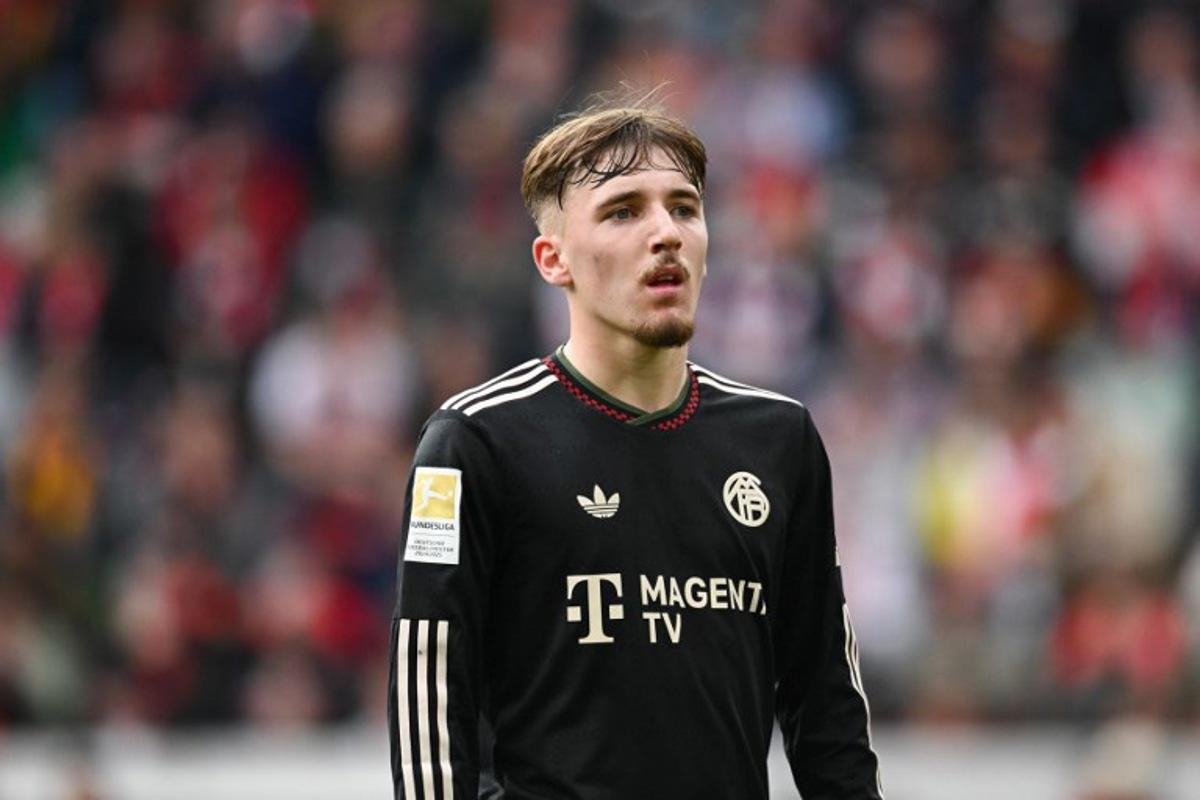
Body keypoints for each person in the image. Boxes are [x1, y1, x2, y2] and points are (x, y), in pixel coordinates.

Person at [388, 97, 884, 799]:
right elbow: (430, 695)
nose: (667, 234)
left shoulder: (779, 441)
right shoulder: (473, 443)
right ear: (553, 259)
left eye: (684, 208)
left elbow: (826, 700)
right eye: (623, 211)